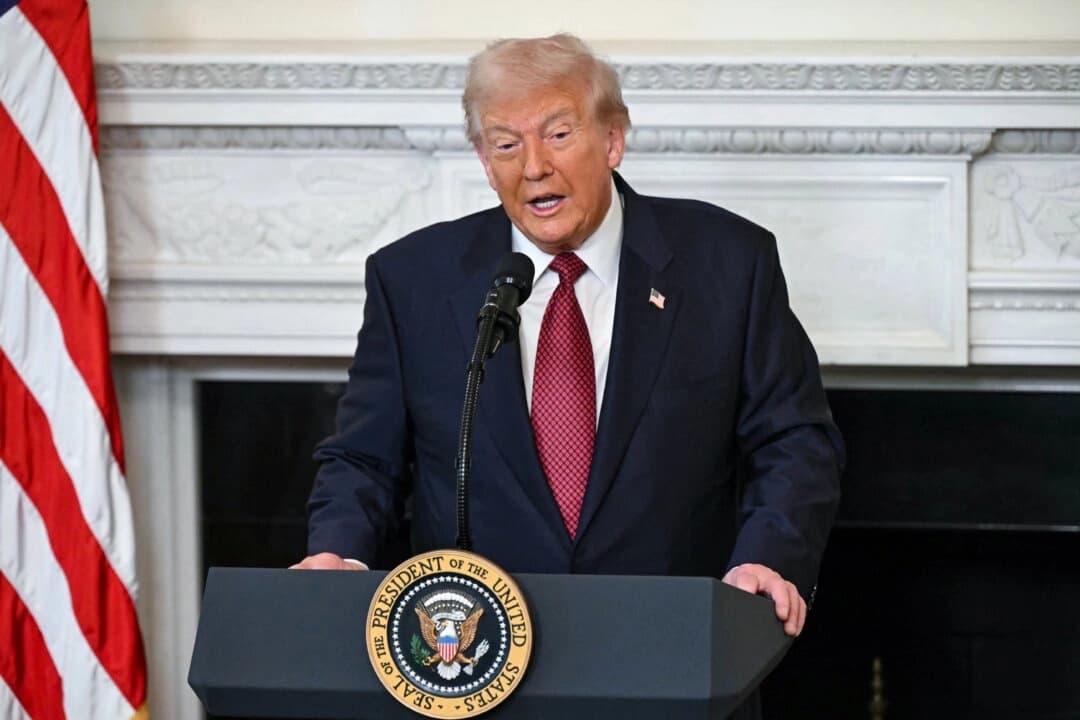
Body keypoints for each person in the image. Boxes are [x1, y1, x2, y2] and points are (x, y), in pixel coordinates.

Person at [294, 34, 843, 647]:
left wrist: (767, 557)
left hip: (675, 649)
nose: (534, 166)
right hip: (476, 662)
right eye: (506, 144)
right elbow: (365, 457)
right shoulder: (413, 279)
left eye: (558, 134)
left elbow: (793, 439)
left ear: (613, 140)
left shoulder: (728, 262)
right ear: (483, 159)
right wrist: (336, 553)